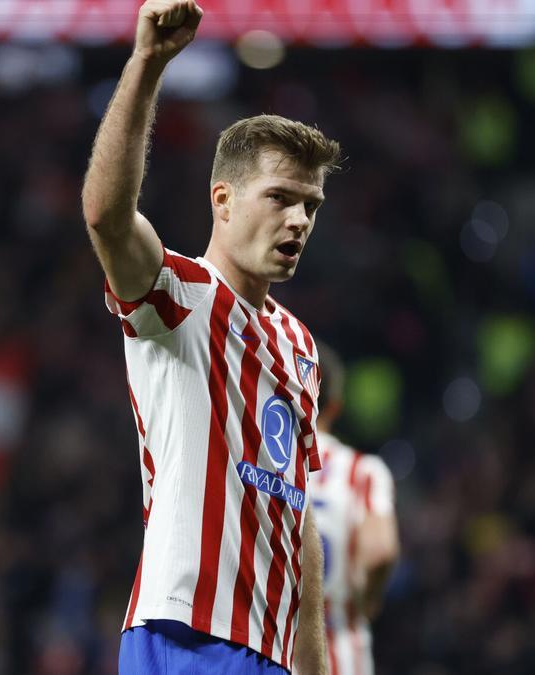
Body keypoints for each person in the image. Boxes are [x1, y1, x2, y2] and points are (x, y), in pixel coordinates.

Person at [82, 1, 342, 672]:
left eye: (310, 205)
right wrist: (146, 65)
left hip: (269, 651)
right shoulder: (180, 295)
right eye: (280, 197)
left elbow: (297, 516)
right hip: (184, 632)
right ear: (222, 200)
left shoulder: (299, 346)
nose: (299, 221)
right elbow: (108, 218)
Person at [302, 342, 400, 675]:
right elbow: (380, 551)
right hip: (339, 651)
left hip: (276, 650)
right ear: (336, 407)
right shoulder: (363, 472)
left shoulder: (269, 465)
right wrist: (368, 598)